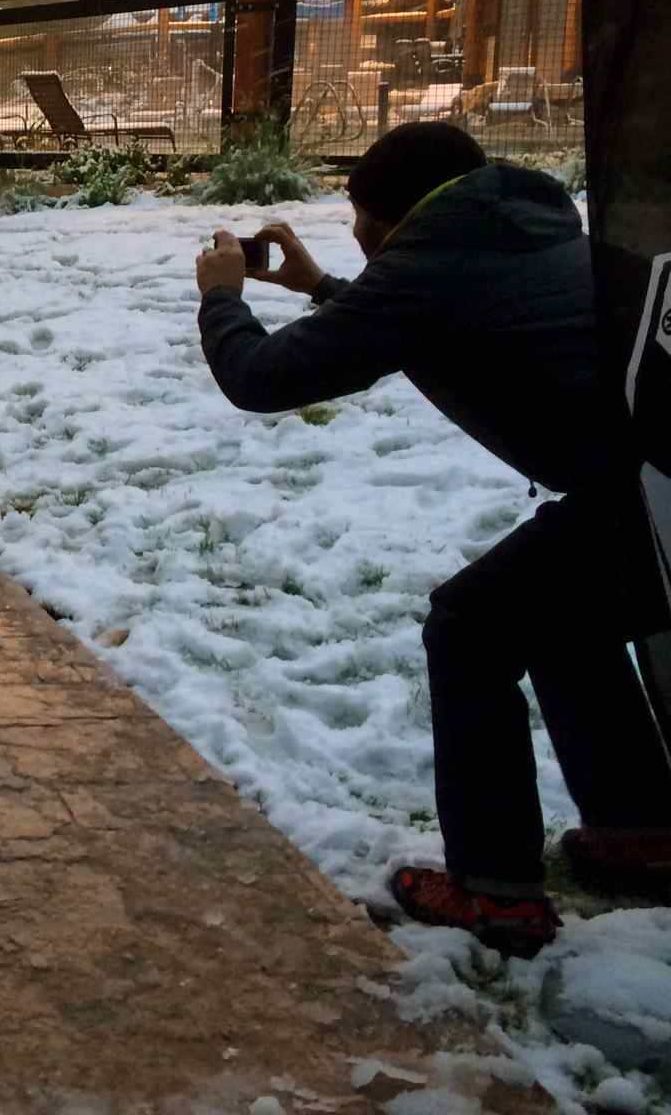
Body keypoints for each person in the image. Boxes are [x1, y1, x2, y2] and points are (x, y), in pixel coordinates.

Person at [194, 121, 671, 958]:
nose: (349, 229)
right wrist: (323, 287)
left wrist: (222, 296)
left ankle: (498, 896)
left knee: (471, 627)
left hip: (648, 495)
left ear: (394, 214)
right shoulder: (522, 229)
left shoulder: (430, 266)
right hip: (650, 483)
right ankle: (641, 834)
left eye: (356, 212)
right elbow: (433, 317)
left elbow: (261, 379)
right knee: (554, 615)